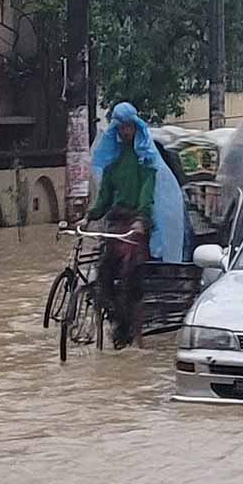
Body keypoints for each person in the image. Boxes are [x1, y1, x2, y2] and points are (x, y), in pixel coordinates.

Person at [82, 102, 161, 348]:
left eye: (128, 127)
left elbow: (147, 194)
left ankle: (129, 332)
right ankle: (118, 322)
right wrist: (90, 216)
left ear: (135, 128)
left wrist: (140, 221)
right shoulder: (113, 161)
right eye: (120, 128)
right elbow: (104, 196)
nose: (124, 132)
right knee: (103, 276)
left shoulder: (145, 160)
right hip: (115, 223)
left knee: (131, 278)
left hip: (136, 224)